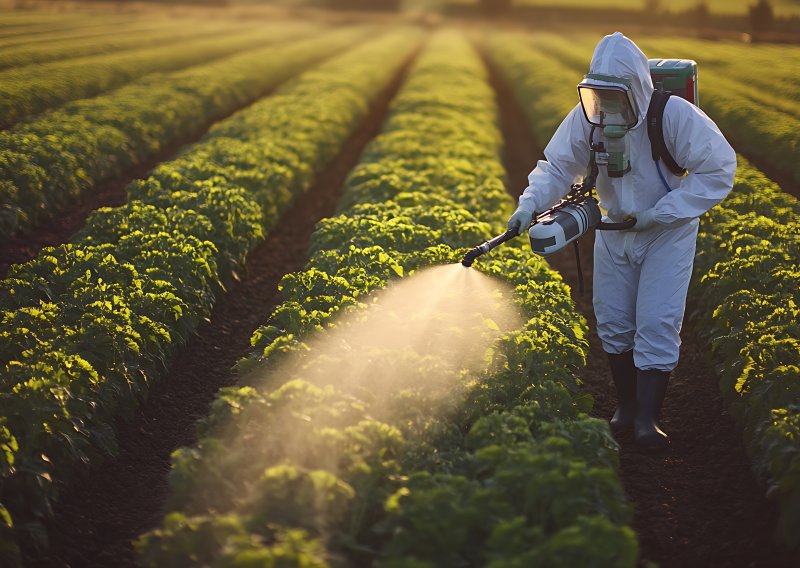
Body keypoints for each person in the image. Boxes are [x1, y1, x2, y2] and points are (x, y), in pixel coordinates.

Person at [507, 32, 736, 449]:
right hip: (613, 230)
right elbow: (558, 167)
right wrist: (528, 206)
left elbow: (719, 168)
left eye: (616, 96)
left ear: (636, 89)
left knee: (656, 321)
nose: (608, 108)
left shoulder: (672, 115)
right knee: (612, 320)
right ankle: (626, 407)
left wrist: (660, 213)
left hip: (667, 233)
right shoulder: (587, 120)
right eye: (600, 96)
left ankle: (648, 418)